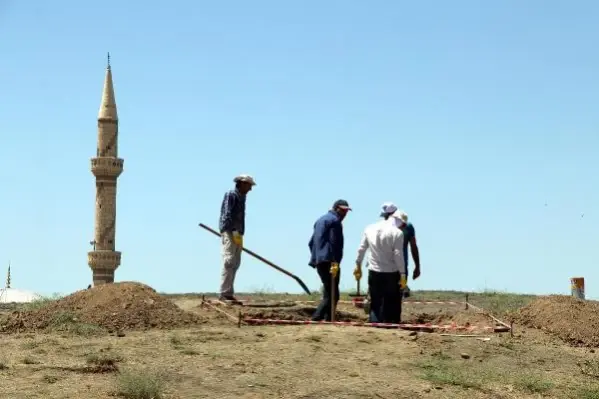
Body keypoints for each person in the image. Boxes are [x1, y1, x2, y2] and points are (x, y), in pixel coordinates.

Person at [354, 209, 407, 323]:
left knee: (376, 301)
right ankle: (389, 324)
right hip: (391, 273)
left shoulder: (370, 228)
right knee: (391, 300)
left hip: (374, 271)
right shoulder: (397, 233)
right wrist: (402, 274)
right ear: (399, 221)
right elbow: (398, 255)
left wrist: (358, 264)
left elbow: (361, 249)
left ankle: (375, 325)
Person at [308, 199, 352, 321]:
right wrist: (335, 261)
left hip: (320, 260)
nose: (345, 214)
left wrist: (316, 258)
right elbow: (334, 243)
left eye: (346, 211)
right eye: (343, 211)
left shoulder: (320, 220)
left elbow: (311, 243)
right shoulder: (335, 221)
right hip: (330, 261)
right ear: (337, 208)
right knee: (333, 294)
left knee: (329, 291)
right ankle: (317, 316)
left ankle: (328, 319)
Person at [218, 174, 256, 302]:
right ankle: (224, 292)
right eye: (249, 185)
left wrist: (239, 232)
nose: (250, 189)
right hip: (230, 231)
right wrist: (230, 229)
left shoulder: (242, 198)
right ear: (241, 183)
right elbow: (227, 213)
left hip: (238, 233)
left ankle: (228, 292)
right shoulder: (231, 195)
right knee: (229, 261)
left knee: (235, 262)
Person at [380, 202, 421, 289]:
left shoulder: (408, 227)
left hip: (400, 268)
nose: (386, 218)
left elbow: (413, 247)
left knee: (396, 297)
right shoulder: (381, 227)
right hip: (383, 268)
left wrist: (417, 266)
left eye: (387, 215)